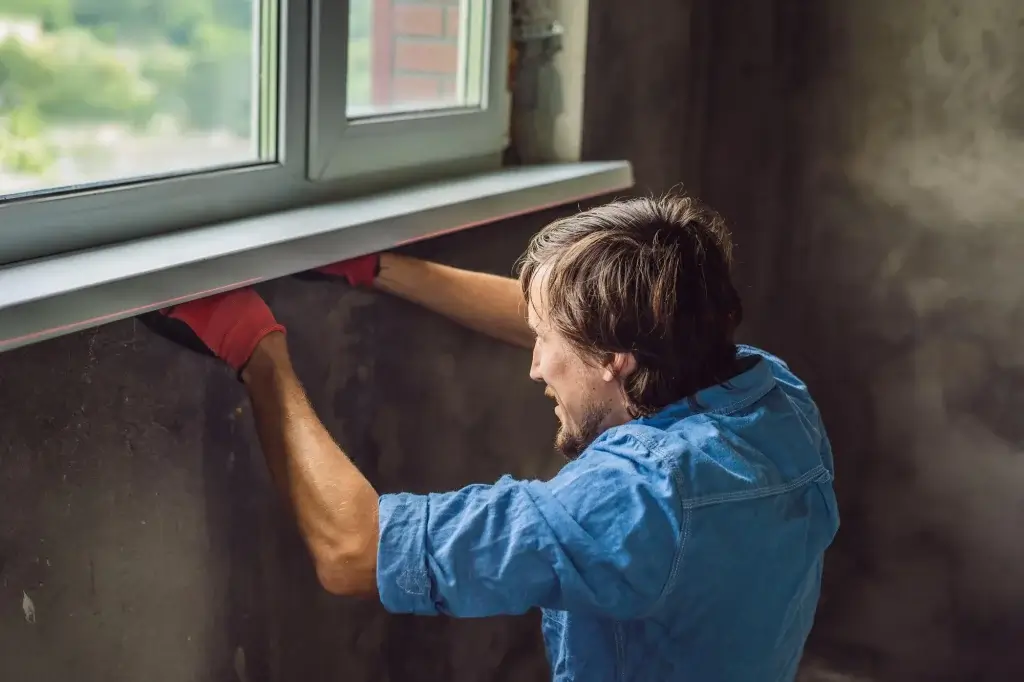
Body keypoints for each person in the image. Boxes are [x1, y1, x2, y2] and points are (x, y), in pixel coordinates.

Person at [141, 193, 839, 681]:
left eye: (547, 343)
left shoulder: (631, 505)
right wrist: (378, 269)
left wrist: (259, 355)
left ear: (611, 360)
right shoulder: (772, 396)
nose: (535, 365)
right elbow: (574, 322)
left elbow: (353, 551)